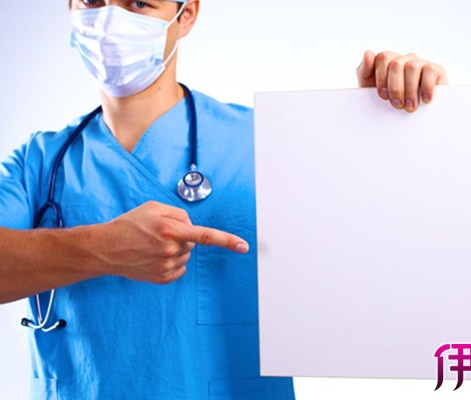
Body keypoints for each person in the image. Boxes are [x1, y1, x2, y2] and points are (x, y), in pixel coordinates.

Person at [0, 0, 448, 399]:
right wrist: (107, 248)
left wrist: (391, 123)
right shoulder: (38, 162)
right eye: (93, 0)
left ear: (186, 14)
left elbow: (389, 241)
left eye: (139, 3)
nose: (111, 20)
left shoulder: (269, 142)